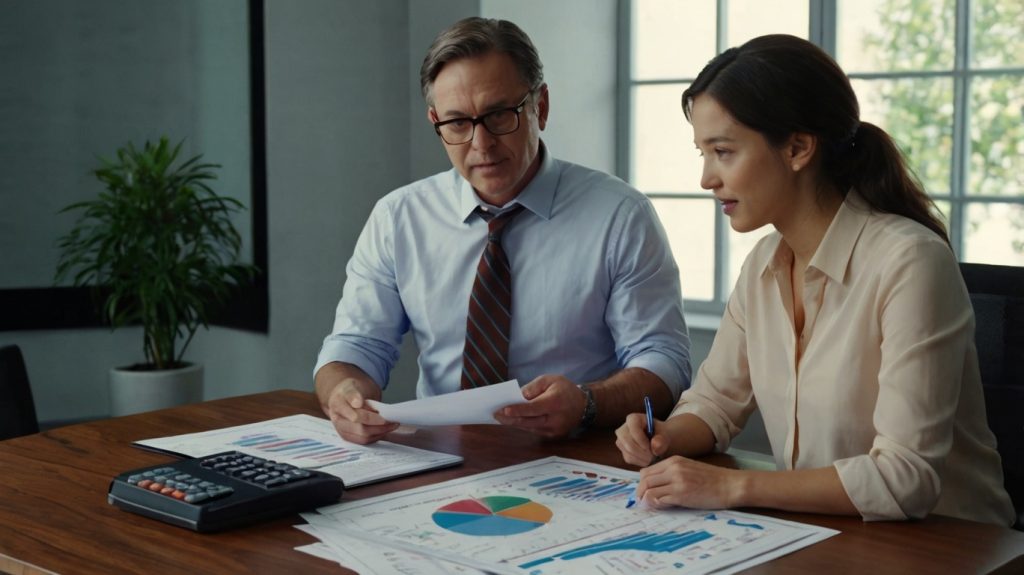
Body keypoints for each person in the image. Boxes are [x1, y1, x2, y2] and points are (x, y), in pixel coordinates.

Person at [615, 34, 1015, 526]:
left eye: (723, 151)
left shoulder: (910, 262)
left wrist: (731, 486)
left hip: (951, 549)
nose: (707, 179)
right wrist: (665, 437)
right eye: (703, 152)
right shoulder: (763, 264)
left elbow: (904, 476)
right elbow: (716, 402)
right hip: (824, 537)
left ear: (798, 148)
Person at [315, 17, 691, 445]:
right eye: (457, 123)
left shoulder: (620, 215)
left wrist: (587, 401)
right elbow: (356, 345)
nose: (481, 143)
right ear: (436, 121)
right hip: (442, 459)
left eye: (498, 115)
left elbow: (665, 363)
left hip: (578, 459)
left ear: (541, 107)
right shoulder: (397, 218)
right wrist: (343, 393)